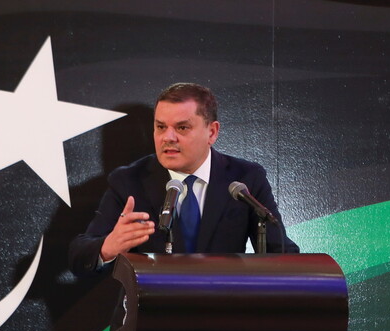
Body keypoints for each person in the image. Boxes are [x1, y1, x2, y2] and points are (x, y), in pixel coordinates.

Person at [68, 83, 298, 276]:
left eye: (182, 127)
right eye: (161, 127)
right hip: (151, 310)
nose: (168, 137)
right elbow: (79, 255)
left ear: (212, 132)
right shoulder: (129, 181)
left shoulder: (245, 179)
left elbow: (281, 252)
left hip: (223, 309)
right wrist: (108, 247)